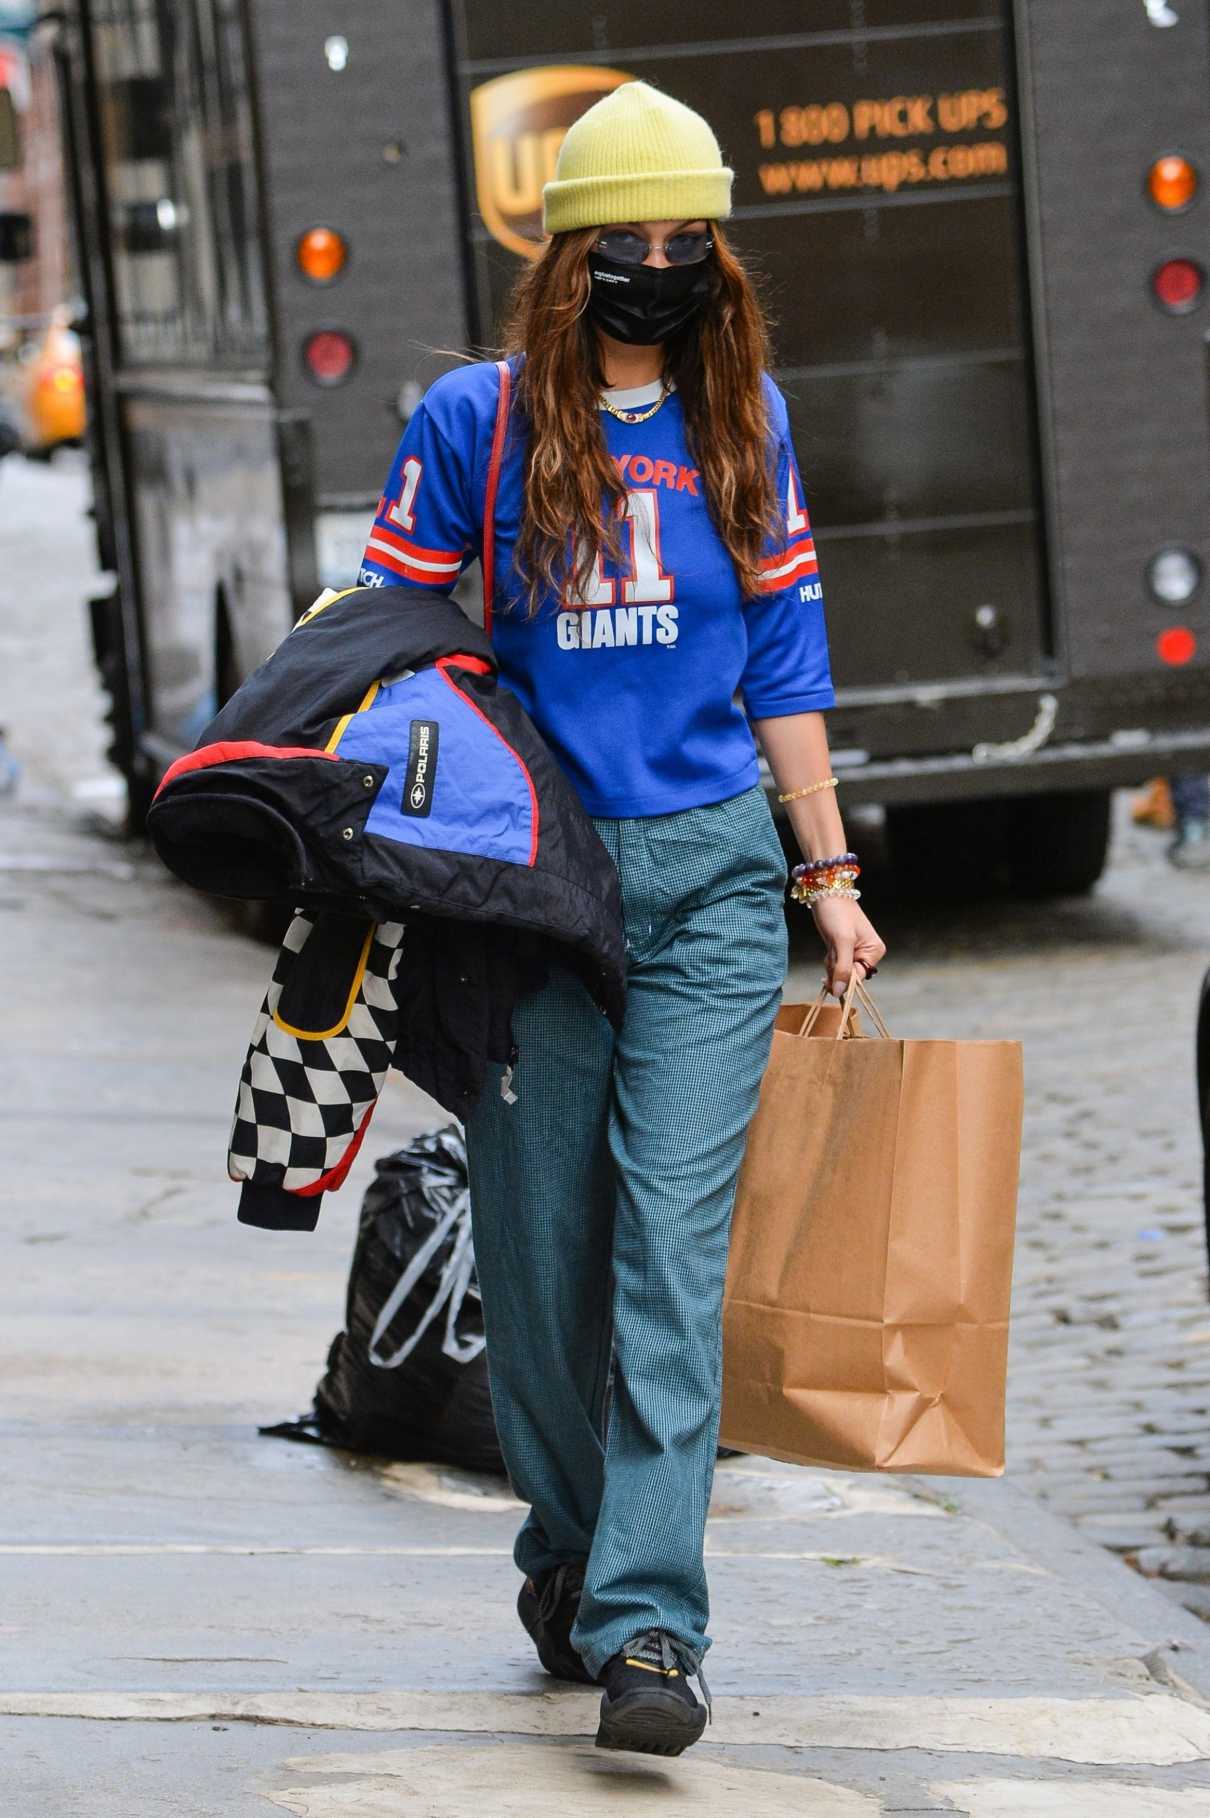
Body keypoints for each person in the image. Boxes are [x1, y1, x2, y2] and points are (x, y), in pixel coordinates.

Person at [358, 79, 887, 1757]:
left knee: (668, 1247)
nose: (655, 264)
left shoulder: (747, 421)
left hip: (715, 880)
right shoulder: (479, 422)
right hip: (534, 885)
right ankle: (572, 1552)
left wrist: (829, 875)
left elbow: (785, 663)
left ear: (715, 255)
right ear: (564, 251)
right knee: (540, 1265)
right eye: (623, 238)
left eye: (684, 237)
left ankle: (652, 1626)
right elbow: (391, 638)